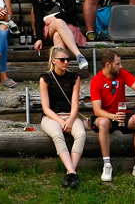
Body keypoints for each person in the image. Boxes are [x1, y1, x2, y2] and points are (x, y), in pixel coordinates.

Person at [90, 49, 135, 182]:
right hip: (106, 116)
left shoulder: (121, 74)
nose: (121, 66)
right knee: (104, 123)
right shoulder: (96, 80)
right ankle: (107, 165)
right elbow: (97, 110)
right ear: (107, 65)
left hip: (121, 115)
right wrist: (113, 116)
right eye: (118, 64)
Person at [39, 46, 84, 188]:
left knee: (81, 134)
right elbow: (46, 108)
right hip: (51, 116)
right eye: (62, 59)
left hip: (69, 114)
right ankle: (72, 172)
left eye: (68, 60)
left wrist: (70, 120)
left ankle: (70, 172)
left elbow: (75, 105)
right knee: (58, 135)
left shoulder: (74, 78)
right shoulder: (45, 78)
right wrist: (60, 120)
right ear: (53, 61)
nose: (66, 62)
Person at [29, 0, 88, 70]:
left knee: (57, 35)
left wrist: (56, 17)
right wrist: (39, 38)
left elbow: (72, 11)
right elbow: (38, 18)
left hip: (68, 25)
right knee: (57, 23)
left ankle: (60, 69)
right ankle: (78, 55)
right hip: (48, 27)